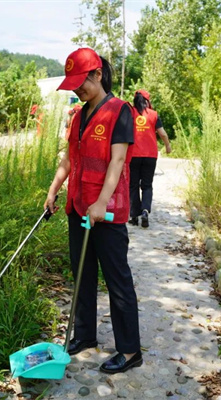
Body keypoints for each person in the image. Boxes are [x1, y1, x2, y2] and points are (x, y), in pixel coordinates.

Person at [44, 47, 142, 374]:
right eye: (72, 84)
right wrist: (54, 189)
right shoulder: (78, 116)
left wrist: (101, 201)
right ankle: (85, 336)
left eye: (81, 82)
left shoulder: (120, 111)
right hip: (78, 208)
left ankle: (129, 351)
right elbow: (69, 159)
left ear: (97, 75)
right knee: (82, 275)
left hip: (107, 212)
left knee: (117, 281)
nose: (77, 89)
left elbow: (117, 160)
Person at [128, 89, 172, 228]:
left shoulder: (130, 113)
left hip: (133, 154)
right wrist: (168, 146)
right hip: (150, 155)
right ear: (147, 101)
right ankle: (145, 211)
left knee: (133, 185)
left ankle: (134, 216)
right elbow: (163, 134)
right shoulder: (153, 114)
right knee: (147, 185)